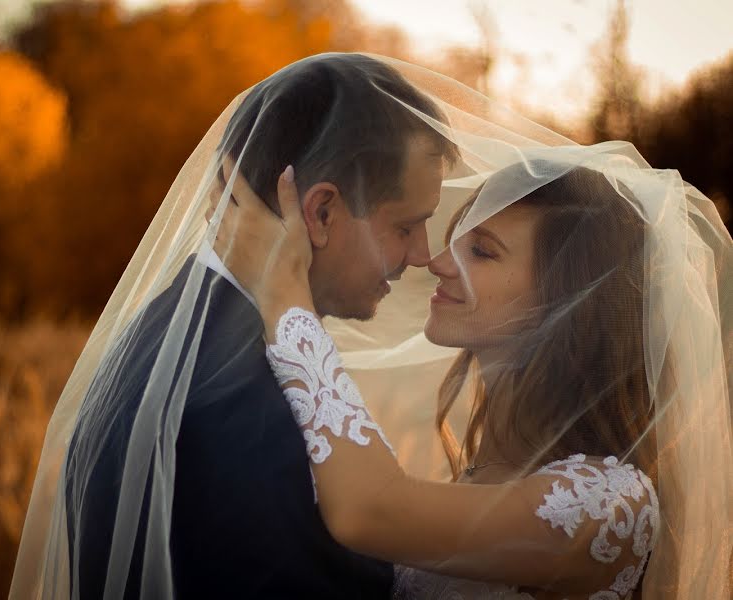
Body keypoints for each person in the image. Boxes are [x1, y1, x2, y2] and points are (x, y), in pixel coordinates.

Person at [10, 53, 457, 599]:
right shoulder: (241, 400)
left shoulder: (171, 330)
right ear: (320, 213)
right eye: (407, 226)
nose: (422, 255)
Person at [212, 151, 732, 599]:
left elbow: (366, 512)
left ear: (569, 298)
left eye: (480, 251)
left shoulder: (610, 506)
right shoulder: (475, 472)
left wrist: (285, 297)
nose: (436, 262)